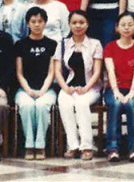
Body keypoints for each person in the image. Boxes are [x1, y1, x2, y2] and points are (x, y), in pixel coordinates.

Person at [54, 11, 101, 161]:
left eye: (81, 22)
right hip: (69, 86)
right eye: (74, 23)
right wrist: (65, 88)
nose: (78, 26)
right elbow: (57, 71)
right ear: (69, 25)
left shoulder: (95, 44)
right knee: (64, 102)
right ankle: (72, 145)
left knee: (81, 104)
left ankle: (87, 146)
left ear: (87, 24)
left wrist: (86, 88)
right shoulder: (62, 44)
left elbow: (97, 71)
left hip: (90, 87)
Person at [13, 6, 58, 160]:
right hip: (24, 89)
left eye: (40, 21)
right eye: (33, 21)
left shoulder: (52, 44)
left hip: (47, 89)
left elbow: (51, 72)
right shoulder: (20, 44)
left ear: (45, 23)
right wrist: (28, 90)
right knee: (27, 106)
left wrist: (43, 90)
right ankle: (28, 145)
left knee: (41, 106)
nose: (37, 24)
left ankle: (40, 146)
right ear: (28, 24)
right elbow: (19, 73)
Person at [101, 13, 134, 162]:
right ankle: (113, 148)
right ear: (117, 28)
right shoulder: (110, 47)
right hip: (114, 88)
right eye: (123, 25)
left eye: (130, 25)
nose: (126, 28)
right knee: (115, 104)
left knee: (132, 104)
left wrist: (132, 92)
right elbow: (110, 71)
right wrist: (116, 91)